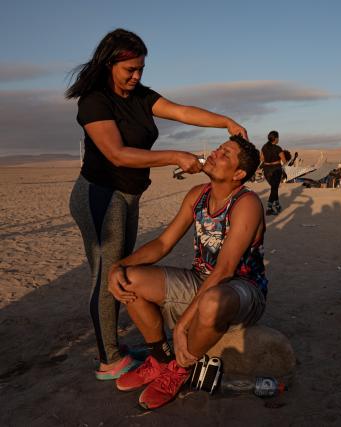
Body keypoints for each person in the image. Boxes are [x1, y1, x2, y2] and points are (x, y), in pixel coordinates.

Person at [66, 28, 248, 380]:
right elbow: (117, 154)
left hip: (129, 197)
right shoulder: (94, 101)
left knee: (120, 267)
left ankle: (115, 349)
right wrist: (174, 157)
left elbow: (180, 111)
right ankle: (109, 360)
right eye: (129, 70)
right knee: (107, 275)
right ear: (109, 64)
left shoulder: (140, 95)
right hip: (101, 195)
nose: (136, 76)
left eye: (140, 70)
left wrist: (224, 121)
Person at [107, 135, 266, 409]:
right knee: (129, 279)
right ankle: (162, 358)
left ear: (239, 174)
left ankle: (181, 368)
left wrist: (181, 326)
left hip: (240, 291)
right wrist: (119, 265)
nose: (216, 153)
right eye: (219, 148)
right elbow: (163, 243)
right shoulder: (198, 195)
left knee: (212, 301)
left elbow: (226, 269)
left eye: (226, 154)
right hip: (201, 280)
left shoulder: (246, 203)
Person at [260, 130, 286, 215]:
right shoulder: (278, 148)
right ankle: (269, 208)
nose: (278, 139)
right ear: (275, 139)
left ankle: (277, 205)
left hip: (266, 170)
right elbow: (284, 160)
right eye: (278, 137)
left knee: (274, 188)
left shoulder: (264, 147)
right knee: (274, 188)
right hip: (276, 170)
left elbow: (262, 159)